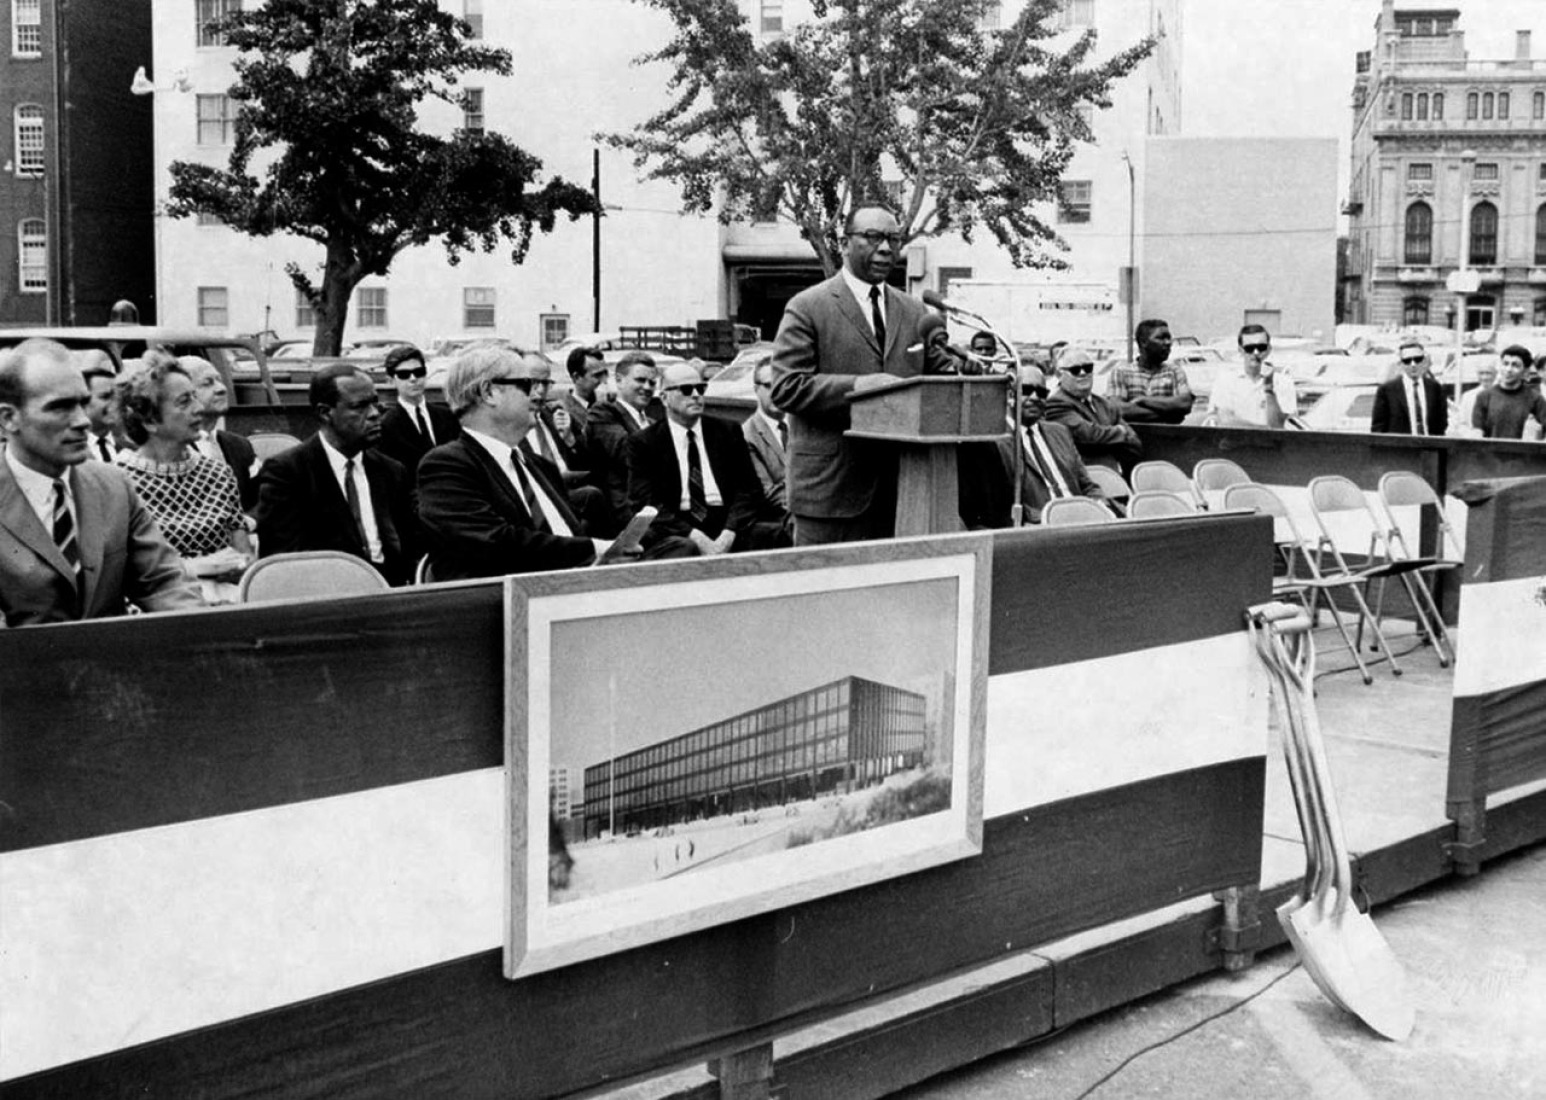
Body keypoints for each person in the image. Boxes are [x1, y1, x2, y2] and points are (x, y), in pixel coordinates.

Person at [0, 338, 202, 625]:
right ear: (9, 418)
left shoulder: (113, 485)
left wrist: (205, 636)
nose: (83, 420)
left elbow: (164, 582)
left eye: (83, 403)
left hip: (113, 667)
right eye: (61, 407)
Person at [769, 204, 933, 544]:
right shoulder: (807, 306)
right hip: (830, 493)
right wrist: (861, 386)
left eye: (893, 239)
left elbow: (938, 375)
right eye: (872, 237)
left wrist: (971, 370)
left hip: (903, 490)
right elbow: (786, 387)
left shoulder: (914, 310)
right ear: (844, 244)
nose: (886, 248)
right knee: (825, 592)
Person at [417, 345, 619, 580]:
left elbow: (566, 537)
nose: (538, 395)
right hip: (499, 606)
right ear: (489, 392)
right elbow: (496, 543)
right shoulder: (446, 466)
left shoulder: (541, 467)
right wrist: (596, 548)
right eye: (526, 385)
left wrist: (606, 555)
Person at [254, 363, 418, 585]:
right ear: (325, 412)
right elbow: (281, 558)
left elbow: (411, 545)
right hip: (325, 594)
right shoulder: (288, 473)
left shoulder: (392, 471)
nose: (374, 414)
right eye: (359, 407)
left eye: (375, 403)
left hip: (391, 593)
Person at [114, 353, 254, 602]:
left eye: (194, 397)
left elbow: (246, 559)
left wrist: (234, 568)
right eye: (184, 401)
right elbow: (120, 576)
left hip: (227, 605)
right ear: (150, 421)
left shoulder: (219, 474)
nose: (199, 407)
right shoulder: (116, 482)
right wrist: (198, 567)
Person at [627, 361, 785, 556]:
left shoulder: (727, 431)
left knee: (777, 534)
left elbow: (749, 490)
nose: (695, 395)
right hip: (678, 526)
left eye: (700, 388)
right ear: (664, 398)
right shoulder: (645, 442)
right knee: (684, 548)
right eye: (686, 389)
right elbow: (646, 502)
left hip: (727, 521)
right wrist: (696, 537)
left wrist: (729, 532)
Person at [959, 364, 1109, 527]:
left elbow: (1087, 485)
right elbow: (998, 506)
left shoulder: (1059, 432)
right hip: (1039, 528)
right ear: (1010, 394)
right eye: (1027, 390)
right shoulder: (993, 442)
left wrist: (1101, 506)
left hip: (1083, 520)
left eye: (1041, 392)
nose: (1035, 397)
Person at [586, 350, 660, 533]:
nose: (648, 387)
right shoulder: (603, 412)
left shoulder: (652, 423)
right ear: (618, 380)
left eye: (652, 382)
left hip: (659, 505)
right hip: (627, 512)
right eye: (640, 380)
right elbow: (628, 454)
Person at [1043, 344, 1143, 472]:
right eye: (1075, 370)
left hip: (1117, 475)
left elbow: (1135, 443)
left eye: (1088, 368)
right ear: (1059, 374)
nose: (1083, 373)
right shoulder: (1056, 404)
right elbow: (1088, 436)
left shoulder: (1104, 404)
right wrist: (1121, 432)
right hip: (1088, 478)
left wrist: (1107, 440)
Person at [178, 355, 260, 511]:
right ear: (184, 396)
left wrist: (249, 522)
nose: (222, 388)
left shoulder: (240, 446)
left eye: (219, 380)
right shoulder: (173, 450)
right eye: (207, 383)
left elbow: (262, 500)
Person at [376, 345, 459, 477]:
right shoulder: (386, 426)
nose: (413, 378)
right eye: (404, 375)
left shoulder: (447, 416)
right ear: (391, 381)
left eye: (419, 372)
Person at [1208, 325, 1298, 429]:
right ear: (1241, 350)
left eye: (1261, 347)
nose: (1256, 353)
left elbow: (1279, 426)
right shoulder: (1225, 381)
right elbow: (1225, 421)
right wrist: (1263, 430)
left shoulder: (1283, 381)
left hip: (1272, 444)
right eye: (1249, 348)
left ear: (1269, 349)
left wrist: (1269, 390)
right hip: (1235, 443)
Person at [1105, 319, 1194, 424]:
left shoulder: (1174, 372)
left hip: (1167, 438)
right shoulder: (1121, 373)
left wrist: (1143, 400)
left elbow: (1184, 403)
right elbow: (1118, 410)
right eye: (1160, 338)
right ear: (1143, 342)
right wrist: (1170, 413)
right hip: (1132, 438)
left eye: (1168, 338)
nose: (1168, 343)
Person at [1371, 339, 1447, 436]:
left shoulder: (1435, 388)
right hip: (1400, 449)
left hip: (1429, 448)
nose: (1413, 364)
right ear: (1401, 363)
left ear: (1424, 361)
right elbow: (1378, 429)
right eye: (1407, 360)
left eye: (1417, 359)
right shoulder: (1387, 390)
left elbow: (1441, 423)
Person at [1472, 345, 1546, 440]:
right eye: (1505, 364)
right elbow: (1477, 432)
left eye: (1515, 365)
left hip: (1524, 454)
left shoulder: (1536, 399)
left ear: (1526, 372)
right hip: (1491, 454)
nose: (1508, 369)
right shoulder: (1484, 396)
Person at [742, 359, 788, 506]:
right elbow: (769, 493)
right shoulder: (747, 435)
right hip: (783, 517)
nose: (777, 392)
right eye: (769, 386)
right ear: (756, 389)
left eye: (782, 385)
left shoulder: (802, 426)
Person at [78, 352, 123, 463]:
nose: (116, 402)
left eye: (118, 396)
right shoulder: (70, 453)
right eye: (106, 396)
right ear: (83, 400)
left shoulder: (130, 450)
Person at [564, 345, 610, 441]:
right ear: (576, 377)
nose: (604, 380)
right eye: (597, 375)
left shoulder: (608, 403)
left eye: (605, 373)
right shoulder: (565, 413)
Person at [1453, 358, 1497, 438]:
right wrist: (1472, 435)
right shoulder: (1468, 396)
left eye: (1488, 373)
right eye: (1481, 373)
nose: (1485, 377)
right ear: (1477, 375)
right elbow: (1460, 423)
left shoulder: (1501, 395)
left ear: (1495, 374)